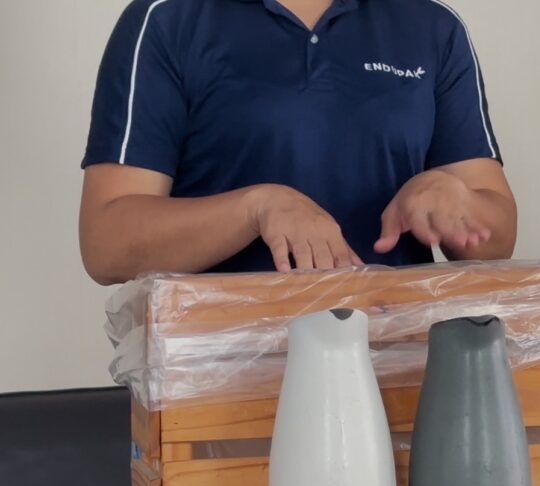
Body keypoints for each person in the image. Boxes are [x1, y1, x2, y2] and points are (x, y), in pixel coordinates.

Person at [79, 0, 517, 285]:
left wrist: (454, 198)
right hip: (223, 370)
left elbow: (497, 241)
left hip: (397, 360)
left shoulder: (432, 26)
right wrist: (256, 208)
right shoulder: (167, 19)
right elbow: (106, 246)